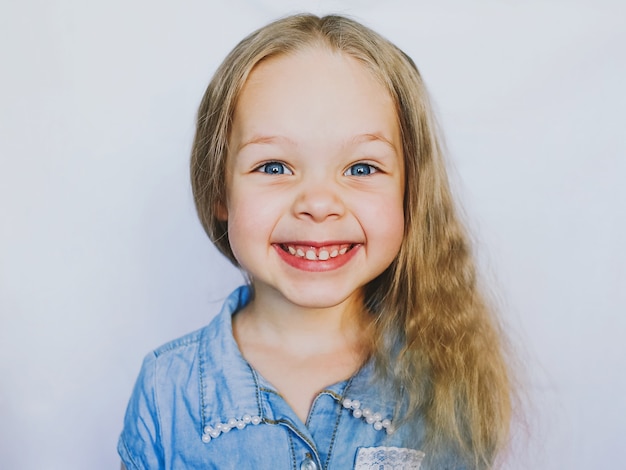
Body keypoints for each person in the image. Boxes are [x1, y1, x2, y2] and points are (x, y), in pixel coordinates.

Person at [118, 13, 514, 470]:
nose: (319, 204)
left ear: (411, 193)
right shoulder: (166, 392)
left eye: (362, 168)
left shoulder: (446, 382)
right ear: (218, 191)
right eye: (273, 166)